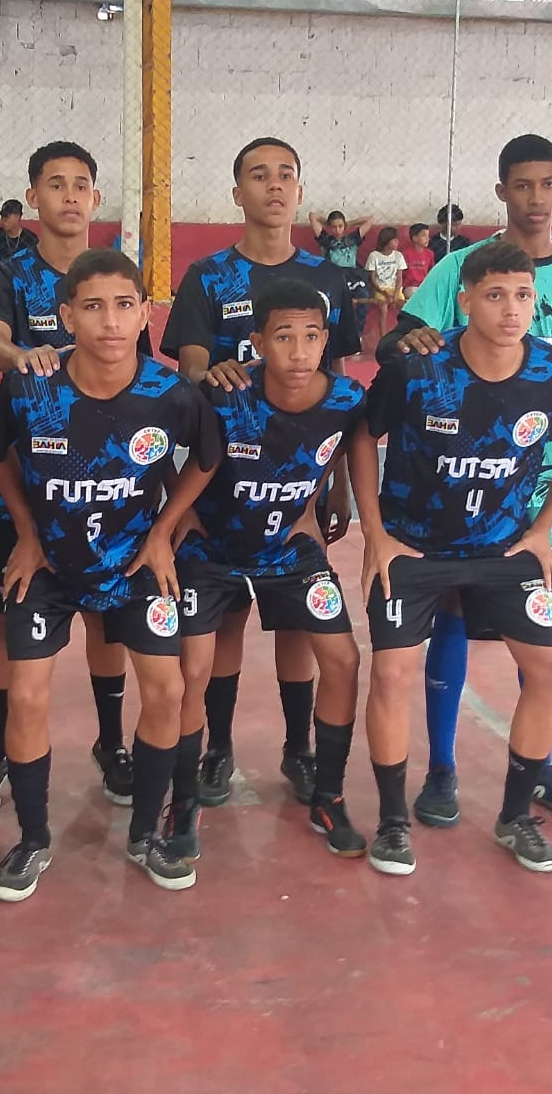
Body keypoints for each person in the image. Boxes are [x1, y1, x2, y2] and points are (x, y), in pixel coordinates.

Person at [378, 133, 552, 827]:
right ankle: (442, 767)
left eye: (548, 184)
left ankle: (538, 769)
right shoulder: (460, 267)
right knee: (452, 611)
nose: (536, 198)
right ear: (503, 191)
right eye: (523, 184)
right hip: (458, 481)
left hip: (545, 494)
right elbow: (400, 343)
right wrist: (407, 342)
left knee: (539, 629)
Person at [350, 239, 552, 877]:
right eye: (494, 296)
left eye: (522, 296)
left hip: (503, 549)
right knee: (391, 674)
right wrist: (374, 532)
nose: (511, 310)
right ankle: (393, 822)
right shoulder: (419, 368)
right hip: (416, 547)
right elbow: (362, 438)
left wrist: (542, 528)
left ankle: (515, 817)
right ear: (464, 302)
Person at [0, 248, 221, 899]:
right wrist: (27, 533)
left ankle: (145, 833)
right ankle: (33, 839)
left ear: (145, 314)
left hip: (135, 564)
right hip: (50, 566)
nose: (110, 322)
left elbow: (206, 458)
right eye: (92, 307)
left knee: (166, 690)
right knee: (27, 695)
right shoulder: (30, 386)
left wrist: (163, 532)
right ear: (66, 316)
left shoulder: (169, 394)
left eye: (123, 306)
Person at [161, 137, 362, 809]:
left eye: (285, 175)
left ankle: (298, 749)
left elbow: (337, 387)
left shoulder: (328, 279)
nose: (273, 186)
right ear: (237, 192)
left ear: (299, 191)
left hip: (294, 481)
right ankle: (217, 748)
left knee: (297, 621)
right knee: (223, 623)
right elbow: (190, 367)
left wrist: (334, 483)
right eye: (258, 175)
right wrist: (213, 374)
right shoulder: (209, 276)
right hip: (223, 476)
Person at [0, 140, 150, 817]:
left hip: (110, 479)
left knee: (107, 616)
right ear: (32, 197)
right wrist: (26, 355)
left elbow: (141, 366)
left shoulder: (116, 276)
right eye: (55, 183)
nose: (69, 195)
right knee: (6, 611)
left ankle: (111, 743)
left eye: (81, 185)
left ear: (95, 199)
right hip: (31, 475)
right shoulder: (7, 277)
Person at [169, 278, 368, 864]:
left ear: (326, 341)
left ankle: (326, 792)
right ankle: (190, 791)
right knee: (193, 667)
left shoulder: (347, 398)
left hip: (288, 549)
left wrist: (321, 501)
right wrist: (171, 518)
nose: (299, 351)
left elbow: (339, 447)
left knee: (342, 659)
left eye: (311, 337)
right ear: (257, 343)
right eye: (284, 337)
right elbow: (154, 443)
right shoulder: (224, 393)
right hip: (213, 551)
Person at [364, 225, 407, 342]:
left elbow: (399, 278)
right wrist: (384, 293)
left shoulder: (398, 256)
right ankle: (383, 338)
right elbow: (372, 279)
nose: (397, 242)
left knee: (404, 307)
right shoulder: (374, 256)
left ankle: (402, 335)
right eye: (394, 240)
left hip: (395, 289)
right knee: (383, 307)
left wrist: (395, 294)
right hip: (381, 289)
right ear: (386, 241)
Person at [0, 198, 39, 266]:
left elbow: (35, 265)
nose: (3, 220)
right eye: (2, 216)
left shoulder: (30, 239)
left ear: (18, 217)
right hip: (0, 272)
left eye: (7, 216)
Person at [403, 222, 434, 297]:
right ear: (415, 238)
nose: (427, 238)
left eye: (428, 236)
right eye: (424, 235)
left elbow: (431, 270)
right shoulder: (406, 254)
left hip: (424, 285)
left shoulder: (429, 253)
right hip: (410, 287)